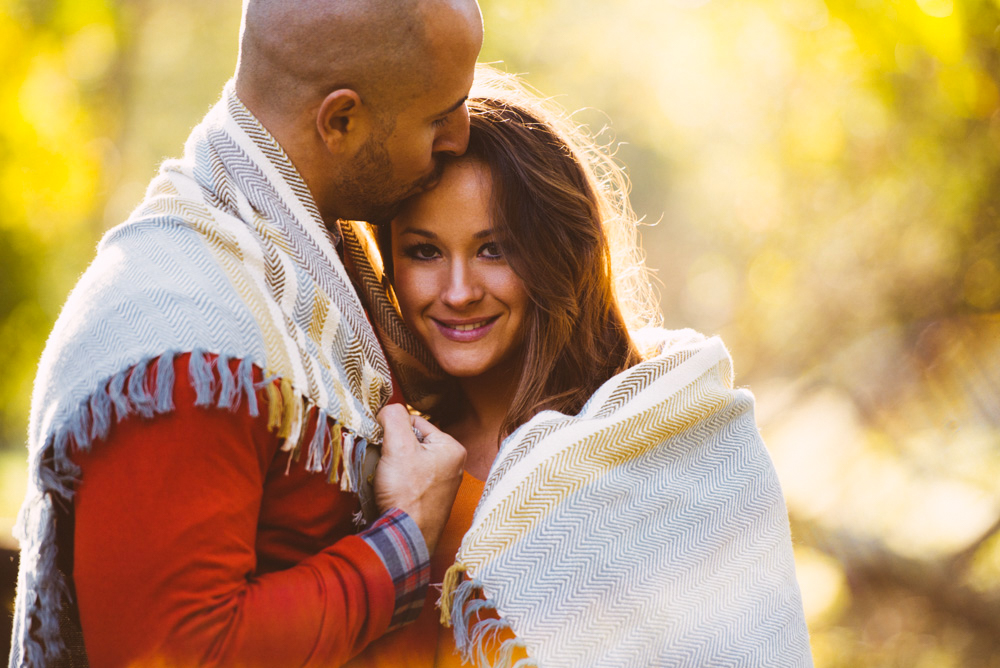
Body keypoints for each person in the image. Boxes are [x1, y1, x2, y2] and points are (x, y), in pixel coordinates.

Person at [8, 1, 483, 666]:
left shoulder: (299, 267)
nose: (461, 135)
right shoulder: (186, 350)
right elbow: (178, 653)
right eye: (442, 113)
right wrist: (403, 541)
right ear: (341, 121)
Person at [361, 71, 815, 667]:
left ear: (557, 250)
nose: (459, 290)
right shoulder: (386, 449)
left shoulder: (668, 445)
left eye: (495, 249)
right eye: (425, 251)